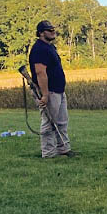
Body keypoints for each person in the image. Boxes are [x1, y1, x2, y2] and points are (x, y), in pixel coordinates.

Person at [29, 20, 74, 158]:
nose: (53, 32)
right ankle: (48, 153)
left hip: (58, 90)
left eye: (53, 29)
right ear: (41, 33)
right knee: (49, 123)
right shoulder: (39, 49)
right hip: (50, 92)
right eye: (49, 30)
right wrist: (45, 94)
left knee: (61, 121)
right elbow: (40, 73)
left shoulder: (50, 47)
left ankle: (63, 149)